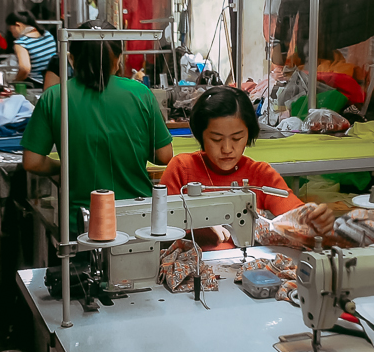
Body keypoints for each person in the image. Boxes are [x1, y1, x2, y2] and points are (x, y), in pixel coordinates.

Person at [21, 20, 174, 238]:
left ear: (71, 59)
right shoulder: (141, 93)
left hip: (83, 222)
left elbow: (32, 161)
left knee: (84, 271)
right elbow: (164, 155)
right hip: (139, 218)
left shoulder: (54, 97)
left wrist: (67, 165)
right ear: (119, 59)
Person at [159, 86, 334, 250]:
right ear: (200, 135)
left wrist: (314, 220)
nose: (227, 149)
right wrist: (196, 228)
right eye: (216, 139)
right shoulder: (181, 169)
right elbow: (161, 230)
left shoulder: (260, 175)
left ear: (248, 134)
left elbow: (295, 215)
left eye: (236, 138)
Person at [6, 11, 57, 86]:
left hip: (35, 85)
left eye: (11, 29)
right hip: (53, 82)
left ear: (18, 25)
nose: (12, 34)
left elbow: (24, 69)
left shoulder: (22, 43)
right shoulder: (48, 35)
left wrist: (15, 82)